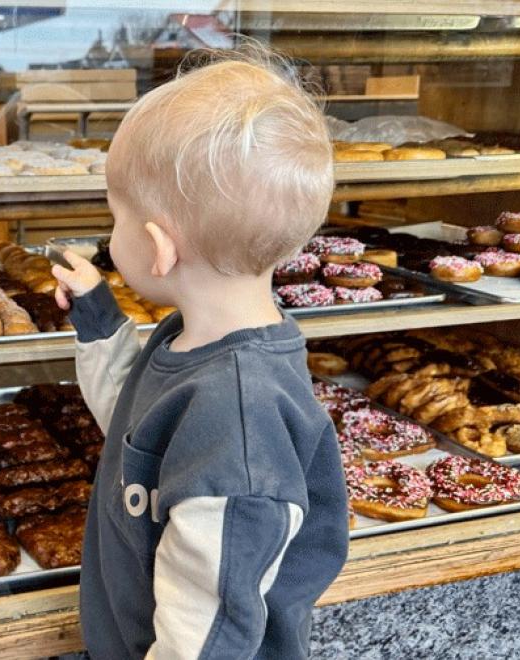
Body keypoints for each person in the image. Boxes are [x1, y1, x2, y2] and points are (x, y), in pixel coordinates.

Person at [53, 50, 350, 660]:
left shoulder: (239, 423)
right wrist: (99, 319)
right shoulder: (189, 340)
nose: (112, 236)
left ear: (159, 247)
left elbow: (209, 633)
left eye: (116, 218)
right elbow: (134, 435)